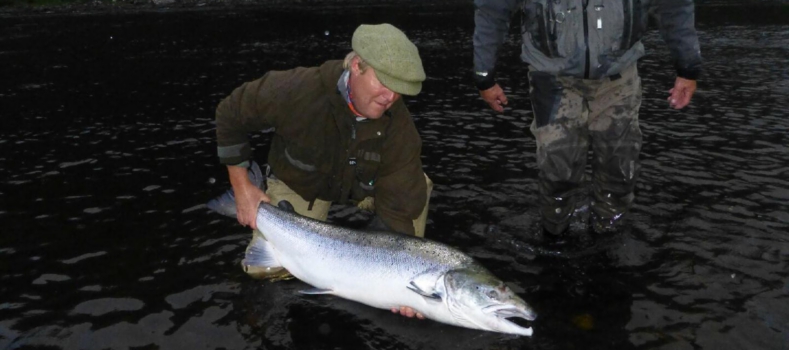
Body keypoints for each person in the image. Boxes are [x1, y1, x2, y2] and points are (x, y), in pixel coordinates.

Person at [215, 23, 432, 319]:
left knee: (417, 190)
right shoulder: (294, 89)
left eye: (399, 89)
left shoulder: (400, 128)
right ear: (357, 66)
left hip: (368, 189)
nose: (390, 97)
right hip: (302, 185)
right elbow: (230, 114)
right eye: (384, 82)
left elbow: (399, 207)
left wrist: (403, 286)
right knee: (262, 271)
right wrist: (241, 187)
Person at [473, 0, 701, 235]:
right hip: (551, 77)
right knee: (558, 170)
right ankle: (555, 234)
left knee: (619, 167)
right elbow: (493, 10)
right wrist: (484, 74)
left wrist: (687, 67)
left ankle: (609, 235)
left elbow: (673, 6)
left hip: (618, 75)